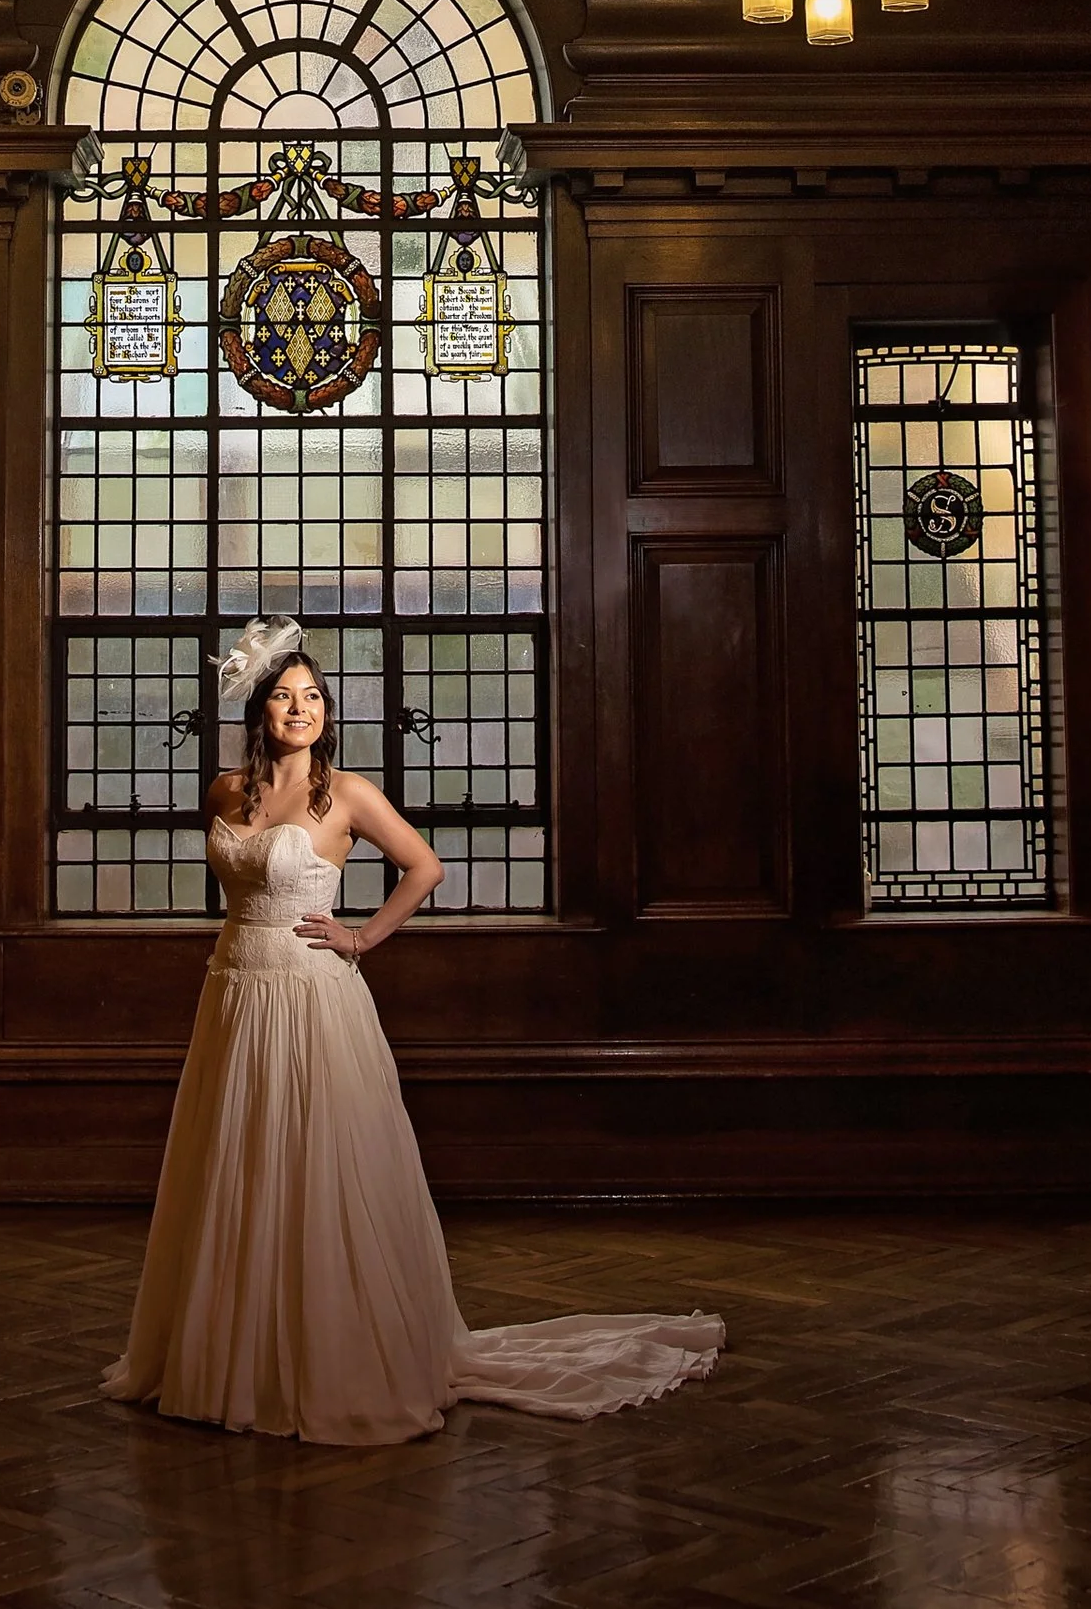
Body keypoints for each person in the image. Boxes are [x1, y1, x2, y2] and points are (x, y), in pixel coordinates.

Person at [103, 614, 723, 1446]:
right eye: (284, 697)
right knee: (234, 1160)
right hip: (234, 993)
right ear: (257, 713)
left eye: (313, 697)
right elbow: (239, 883)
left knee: (318, 1165)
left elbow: (424, 866)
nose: (300, 709)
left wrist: (359, 937)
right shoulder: (226, 791)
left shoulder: (345, 792)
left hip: (313, 994)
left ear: (329, 711)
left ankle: (327, 1358)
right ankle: (232, 1356)